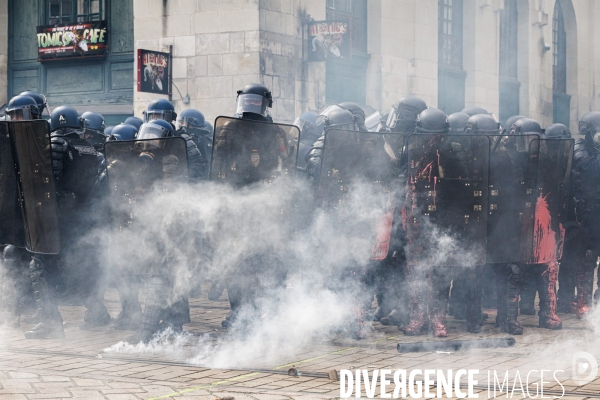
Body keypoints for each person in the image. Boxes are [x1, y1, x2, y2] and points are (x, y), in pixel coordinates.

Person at [25, 105, 110, 338]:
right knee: (78, 266)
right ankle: (98, 310)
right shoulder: (88, 148)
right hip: (82, 216)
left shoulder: (55, 143)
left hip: (60, 216)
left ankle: (51, 323)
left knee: (40, 264)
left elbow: (49, 181)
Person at [572, 112, 600, 319]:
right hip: (588, 214)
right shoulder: (579, 149)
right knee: (588, 257)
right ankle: (583, 301)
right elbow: (592, 170)